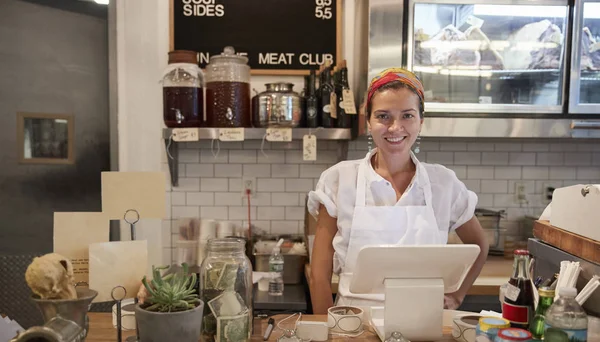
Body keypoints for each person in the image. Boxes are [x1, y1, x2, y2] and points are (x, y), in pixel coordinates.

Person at [307, 68, 489, 315]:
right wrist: (329, 332)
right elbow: (319, 274)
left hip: (423, 325)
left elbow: (479, 244)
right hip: (354, 327)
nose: (395, 127)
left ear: (420, 122)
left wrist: (457, 295)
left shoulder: (443, 184)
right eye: (383, 116)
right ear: (368, 121)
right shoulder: (340, 180)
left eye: (407, 116)